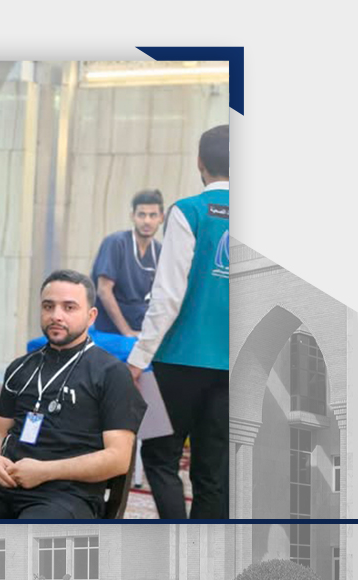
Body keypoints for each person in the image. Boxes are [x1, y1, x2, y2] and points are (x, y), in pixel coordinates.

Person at [0, 270, 146, 519]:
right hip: (6, 484)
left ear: (91, 316)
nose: (56, 316)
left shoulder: (111, 373)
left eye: (69, 307)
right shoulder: (21, 367)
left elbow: (118, 459)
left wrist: (45, 471)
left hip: (67, 494)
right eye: (48, 306)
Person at [126, 124, 230, 519]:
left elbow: (168, 294)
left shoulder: (188, 211)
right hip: (235, 365)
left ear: (200, 162)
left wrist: (138, 358)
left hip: (176, 361)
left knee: (158, 455)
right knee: (214, 469)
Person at [90, 189, 164, 337]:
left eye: (152, 215)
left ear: (161, 218)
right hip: (111, 331)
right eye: (141, 215)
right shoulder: (116, 243)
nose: (147, 221)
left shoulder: (159, 250)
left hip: (143, 329)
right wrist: (127, 332)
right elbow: (104, 290)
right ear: (132, 216)